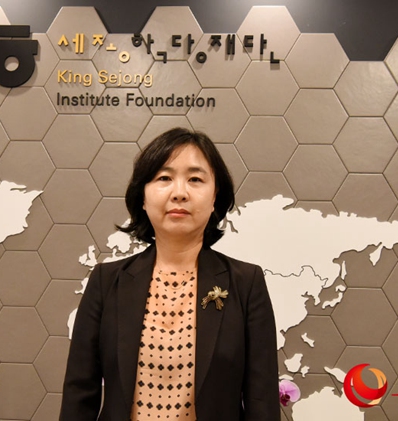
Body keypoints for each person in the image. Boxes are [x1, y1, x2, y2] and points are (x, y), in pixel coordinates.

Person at [60, 128, 279, 421]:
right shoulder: (106, 281)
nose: (179, 193)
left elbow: (261, 400)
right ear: (142, 196)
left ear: (215, 197)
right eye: (164, 178)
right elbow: (79, 394)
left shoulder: (246, 284)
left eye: (195, 179)